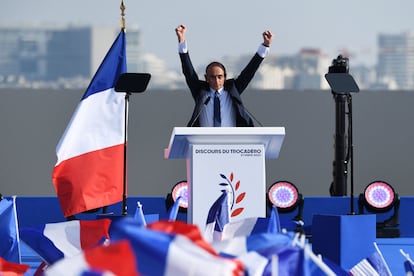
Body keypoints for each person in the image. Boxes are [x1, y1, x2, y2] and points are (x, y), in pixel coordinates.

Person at [175, 24, 273, 127]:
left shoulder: (233, 89)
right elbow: (188, 71)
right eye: (212, 77)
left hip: (231, 141)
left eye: (220, 77)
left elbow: (249, 71)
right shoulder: (201, 92)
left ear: (225, 77)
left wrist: (265, 46)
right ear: (206, 78)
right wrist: (181, 41)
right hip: (204, 141)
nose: (217, 81)